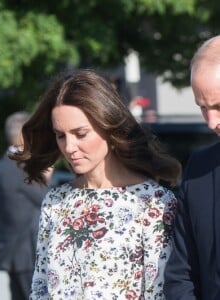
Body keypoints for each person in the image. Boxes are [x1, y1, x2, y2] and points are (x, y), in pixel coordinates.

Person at [9, 69, 181, 299]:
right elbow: (40, 288)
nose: (69, 147)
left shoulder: (153, 204)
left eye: (80, 134)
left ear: (109, 127)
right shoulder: (56, 201)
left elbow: (157, 292)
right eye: (60, 135)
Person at [164, 35, 220, 299]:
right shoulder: (198, 169)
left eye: (219, 106)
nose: (211, 122)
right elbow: (181, 273)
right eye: (203, 108)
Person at [0, 112, 53, 300]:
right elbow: (50, 200)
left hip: (13, 251)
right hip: (26, 252)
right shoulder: (21, 169)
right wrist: (46, 178)